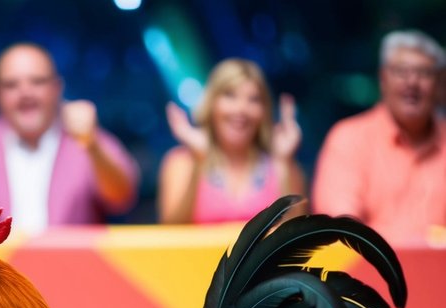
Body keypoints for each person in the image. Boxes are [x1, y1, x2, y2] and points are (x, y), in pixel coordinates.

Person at [0, 44, 139, 232]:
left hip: (73, 278)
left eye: (37, 81)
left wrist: (93, 146)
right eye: (11, 85)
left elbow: (122, 195)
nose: (25, 93)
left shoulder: (84, 138)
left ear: (57, 88)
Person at [312, 30, 445, 242]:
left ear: (440, 83)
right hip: (367, 271)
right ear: (382, 78)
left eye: (424, 72)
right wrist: (421, 244)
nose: (412, 82)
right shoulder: (348, 139)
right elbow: (340, 230)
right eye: (401, 71)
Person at [158, 59, 304, 224]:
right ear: (211, 104)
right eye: (230, 96)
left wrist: (283, 163)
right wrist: (199, 160)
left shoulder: (282, 163)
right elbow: (171, 229)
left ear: (264, 110)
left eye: (254, 99)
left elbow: (296, 237)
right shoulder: (181, 162)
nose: (241, 109)